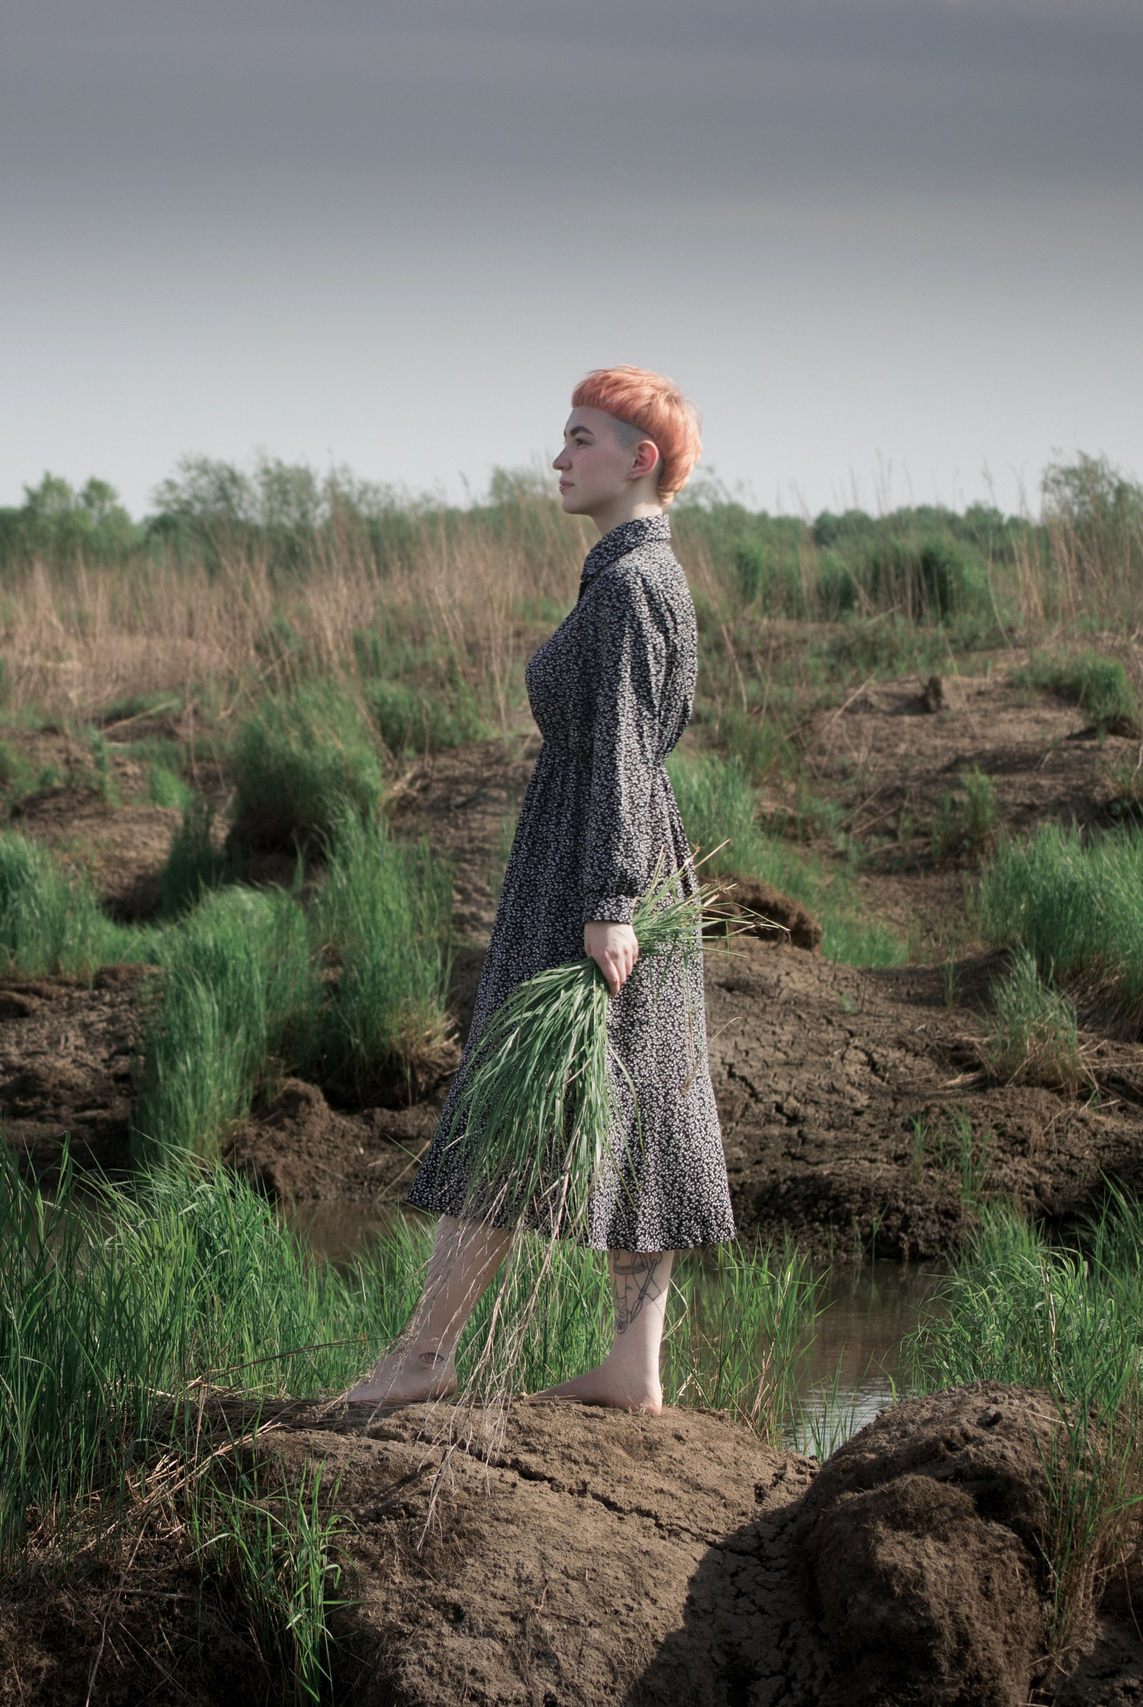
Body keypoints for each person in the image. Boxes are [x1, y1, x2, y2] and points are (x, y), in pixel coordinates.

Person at [341, 366, 733, 1413]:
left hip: (592, 870)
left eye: (579, 439)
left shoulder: (630, 586)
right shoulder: (638, 579)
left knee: (512, 1093)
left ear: (637, 459)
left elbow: (618, 752)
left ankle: (426, 1355)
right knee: (640, 1102)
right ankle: (631, 1367)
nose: (557, 459)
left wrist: (607, 901)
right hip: (615, 859)